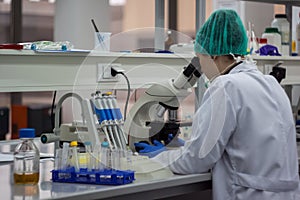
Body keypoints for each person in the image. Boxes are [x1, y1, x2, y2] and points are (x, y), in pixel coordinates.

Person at [135, 9, 300, 200]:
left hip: (248, 195)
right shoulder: (270, 83)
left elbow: (196, 160)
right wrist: (189, 145)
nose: (202, 69)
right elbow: (244, 143)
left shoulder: (225, 86)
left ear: (213, 56)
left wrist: (158, 158)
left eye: (201, 58)